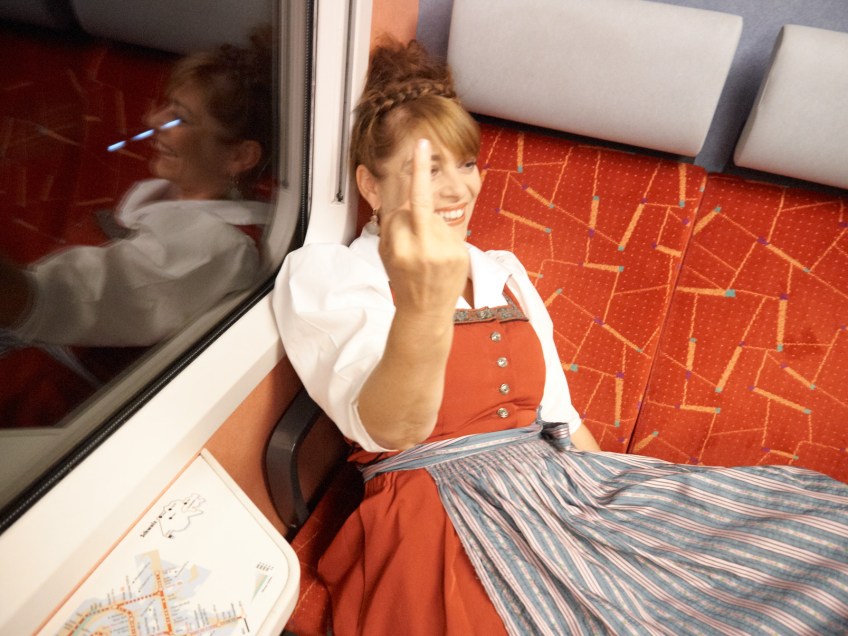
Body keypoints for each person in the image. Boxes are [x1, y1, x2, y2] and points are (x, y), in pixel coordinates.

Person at [274, 40, 848, 635]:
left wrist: (619, 512)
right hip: (436, 510)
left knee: (813, 550)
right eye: (428, 170)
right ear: (371, 187)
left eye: (465, 164)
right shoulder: (332, 276)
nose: (457, 191)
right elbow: (389, 430)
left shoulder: (503, 272)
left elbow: (562, 419)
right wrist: (425, 305)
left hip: (559, 486)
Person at [0, 28, 274, 348]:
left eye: (180, 118)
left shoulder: (217, 247)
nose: (152, 119)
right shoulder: (163, 192)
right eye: (166, 106)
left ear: (240, 156)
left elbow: (72, 299)